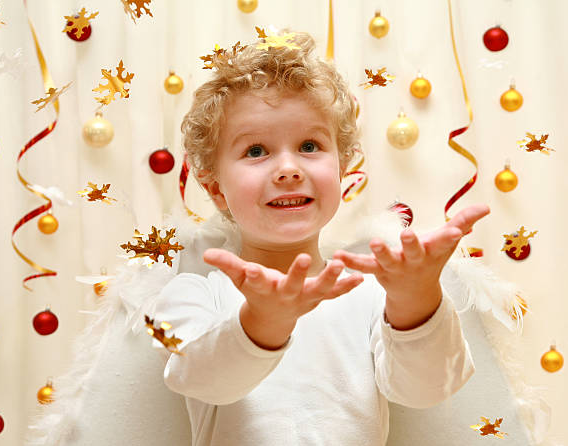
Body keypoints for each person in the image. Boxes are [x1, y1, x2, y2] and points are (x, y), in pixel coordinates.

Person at [155, 29, 489, 445]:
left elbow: (425, 390)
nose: (288, 168)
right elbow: (200, 378)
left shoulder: (369, 293)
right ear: (216, 188)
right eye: (256, 151)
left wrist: (416, 300)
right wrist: (263, 322)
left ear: (342, 169)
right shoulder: (190, 295)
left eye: (309, 145)